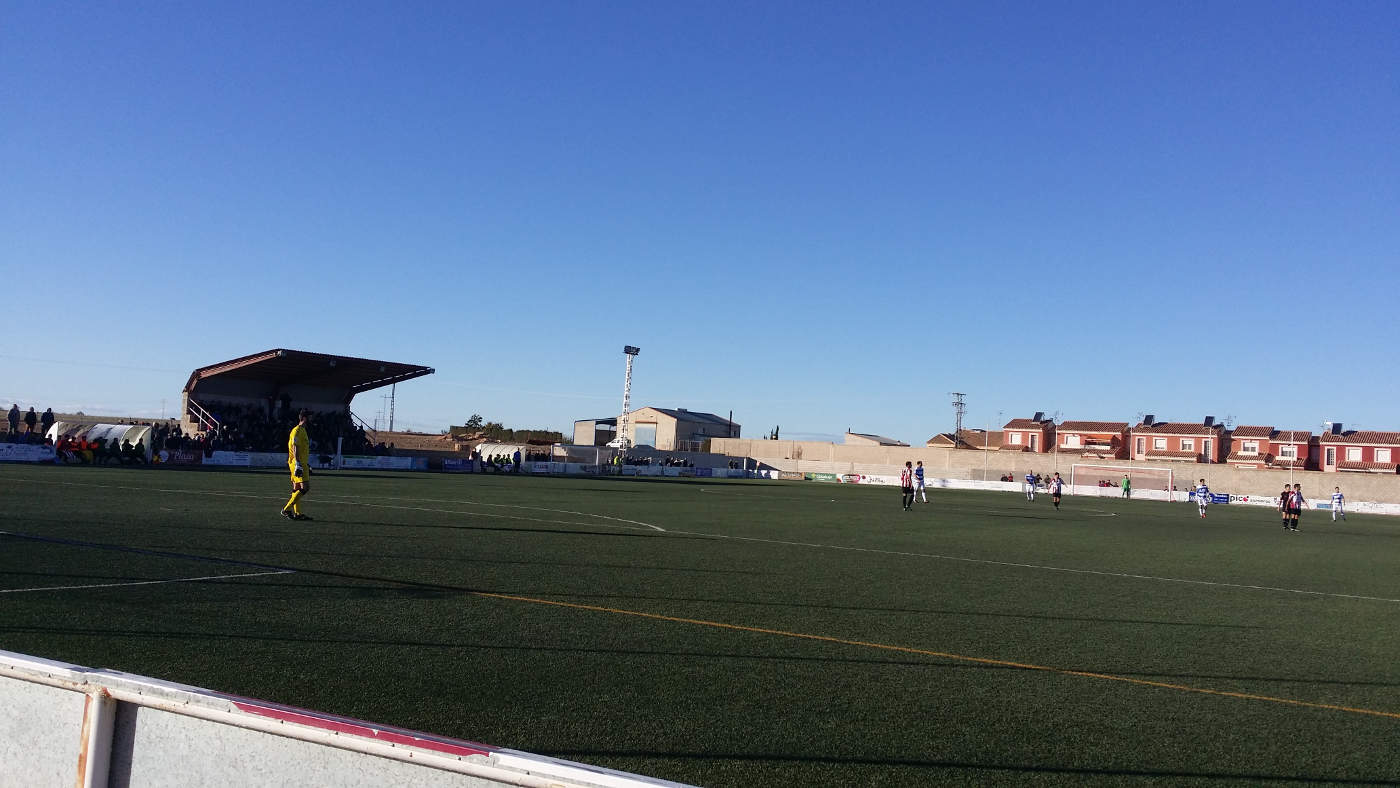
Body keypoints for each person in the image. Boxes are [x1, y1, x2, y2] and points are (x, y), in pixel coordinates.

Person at [281, 409, 313, 521]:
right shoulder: (297, 430)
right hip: (297, 463)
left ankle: (298, 514)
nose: (311, 418)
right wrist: (298, 464)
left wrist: (306, 463)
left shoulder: (303, 430)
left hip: (300, 462)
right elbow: (295, 447)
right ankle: (286, 509)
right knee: (305, 487)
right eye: (310, 416)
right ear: (304, 418)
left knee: (297, 488)